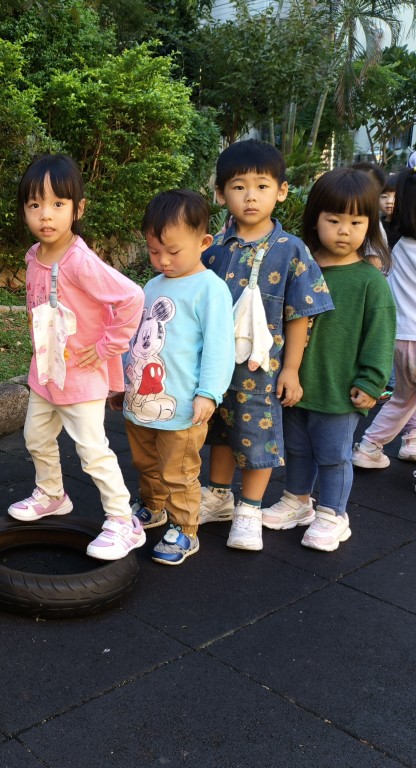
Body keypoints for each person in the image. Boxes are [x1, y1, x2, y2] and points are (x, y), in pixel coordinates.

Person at [7, 153, 147, 561]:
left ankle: (123, 521)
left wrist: (107, 347)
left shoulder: (79, 261)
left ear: (78, 209)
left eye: (57, 204)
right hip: (46, 372)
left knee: (92, 451)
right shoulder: (34, 256)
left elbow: (131, 297)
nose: (45, 215)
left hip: (82, 375)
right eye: (35, 205)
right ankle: (52, 494)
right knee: (36, 437)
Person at [198, 139, 335, 551]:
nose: (250, 196)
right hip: (215, 368)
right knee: (220, 432)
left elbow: (300, 314)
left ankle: (250, 509)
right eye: (238, 187)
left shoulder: (291, 249)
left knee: (257, 439)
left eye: (261, 186)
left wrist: (291, 369)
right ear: (220, 193)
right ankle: (219, 496)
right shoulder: (212, 249)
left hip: (263, 372)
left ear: (282, 191)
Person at [262, 168, 395, 551]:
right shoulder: (300, 266)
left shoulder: (369, 281)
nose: (344, 231)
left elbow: (380, 334)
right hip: (296, 384)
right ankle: (297, 501)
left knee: (334, 457)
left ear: (369, 225)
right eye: (334, 220)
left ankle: (333, 514)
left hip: (340, 389)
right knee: (297, 450)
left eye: (356, 222)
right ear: (315, 219)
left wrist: (371, 381)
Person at [118, 190, 235, 565]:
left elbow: (219, 346)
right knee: (145, 462)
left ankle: (186, 529)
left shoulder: (210, 289)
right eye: (154, 252)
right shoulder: (153, 286)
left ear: (204, 242)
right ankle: (153, 507)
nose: (163, 260)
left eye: (173, 251)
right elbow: (136, 340)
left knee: (179, 471)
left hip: (182, 406)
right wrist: (121, 382)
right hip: (141, 398)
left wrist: (209, 393)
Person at [352, 167, 416, 468]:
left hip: (401, 338)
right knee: (406, 398)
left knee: (405, 397)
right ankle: (374, 446)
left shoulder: (399, 246)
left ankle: (371, 447)